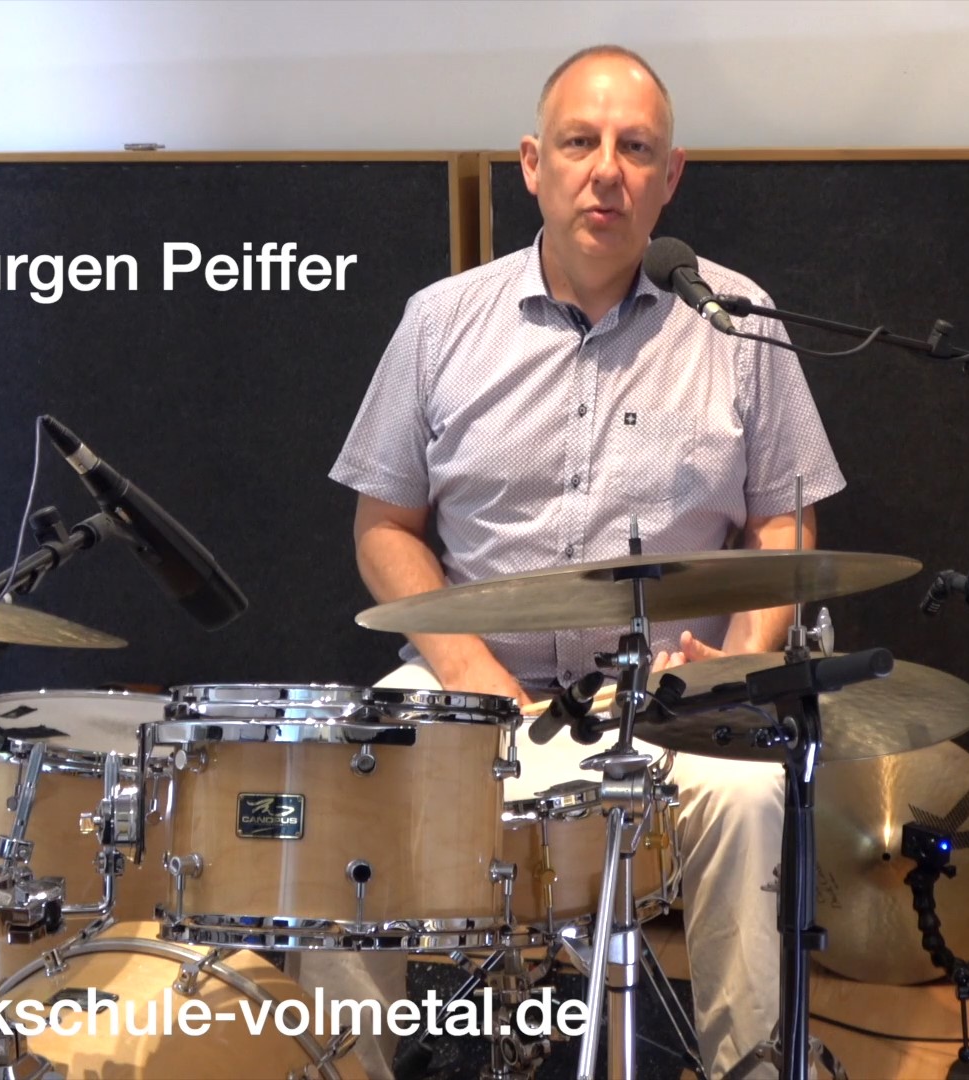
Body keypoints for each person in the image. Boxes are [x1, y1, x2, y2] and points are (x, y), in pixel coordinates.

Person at [319, 44, 845, 1078]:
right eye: (580, 143)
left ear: (670, 175)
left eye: (635, 148)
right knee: (340, 791)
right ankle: (352, 1065)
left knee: (751, 799)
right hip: (473, 685)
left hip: (669, 691)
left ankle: (744, 1066)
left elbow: (784, 526)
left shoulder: (738, 320)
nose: (607, 170)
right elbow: (384, 527)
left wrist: (740, 665)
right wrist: (469, 670)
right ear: (533, 163)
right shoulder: (440, 322)